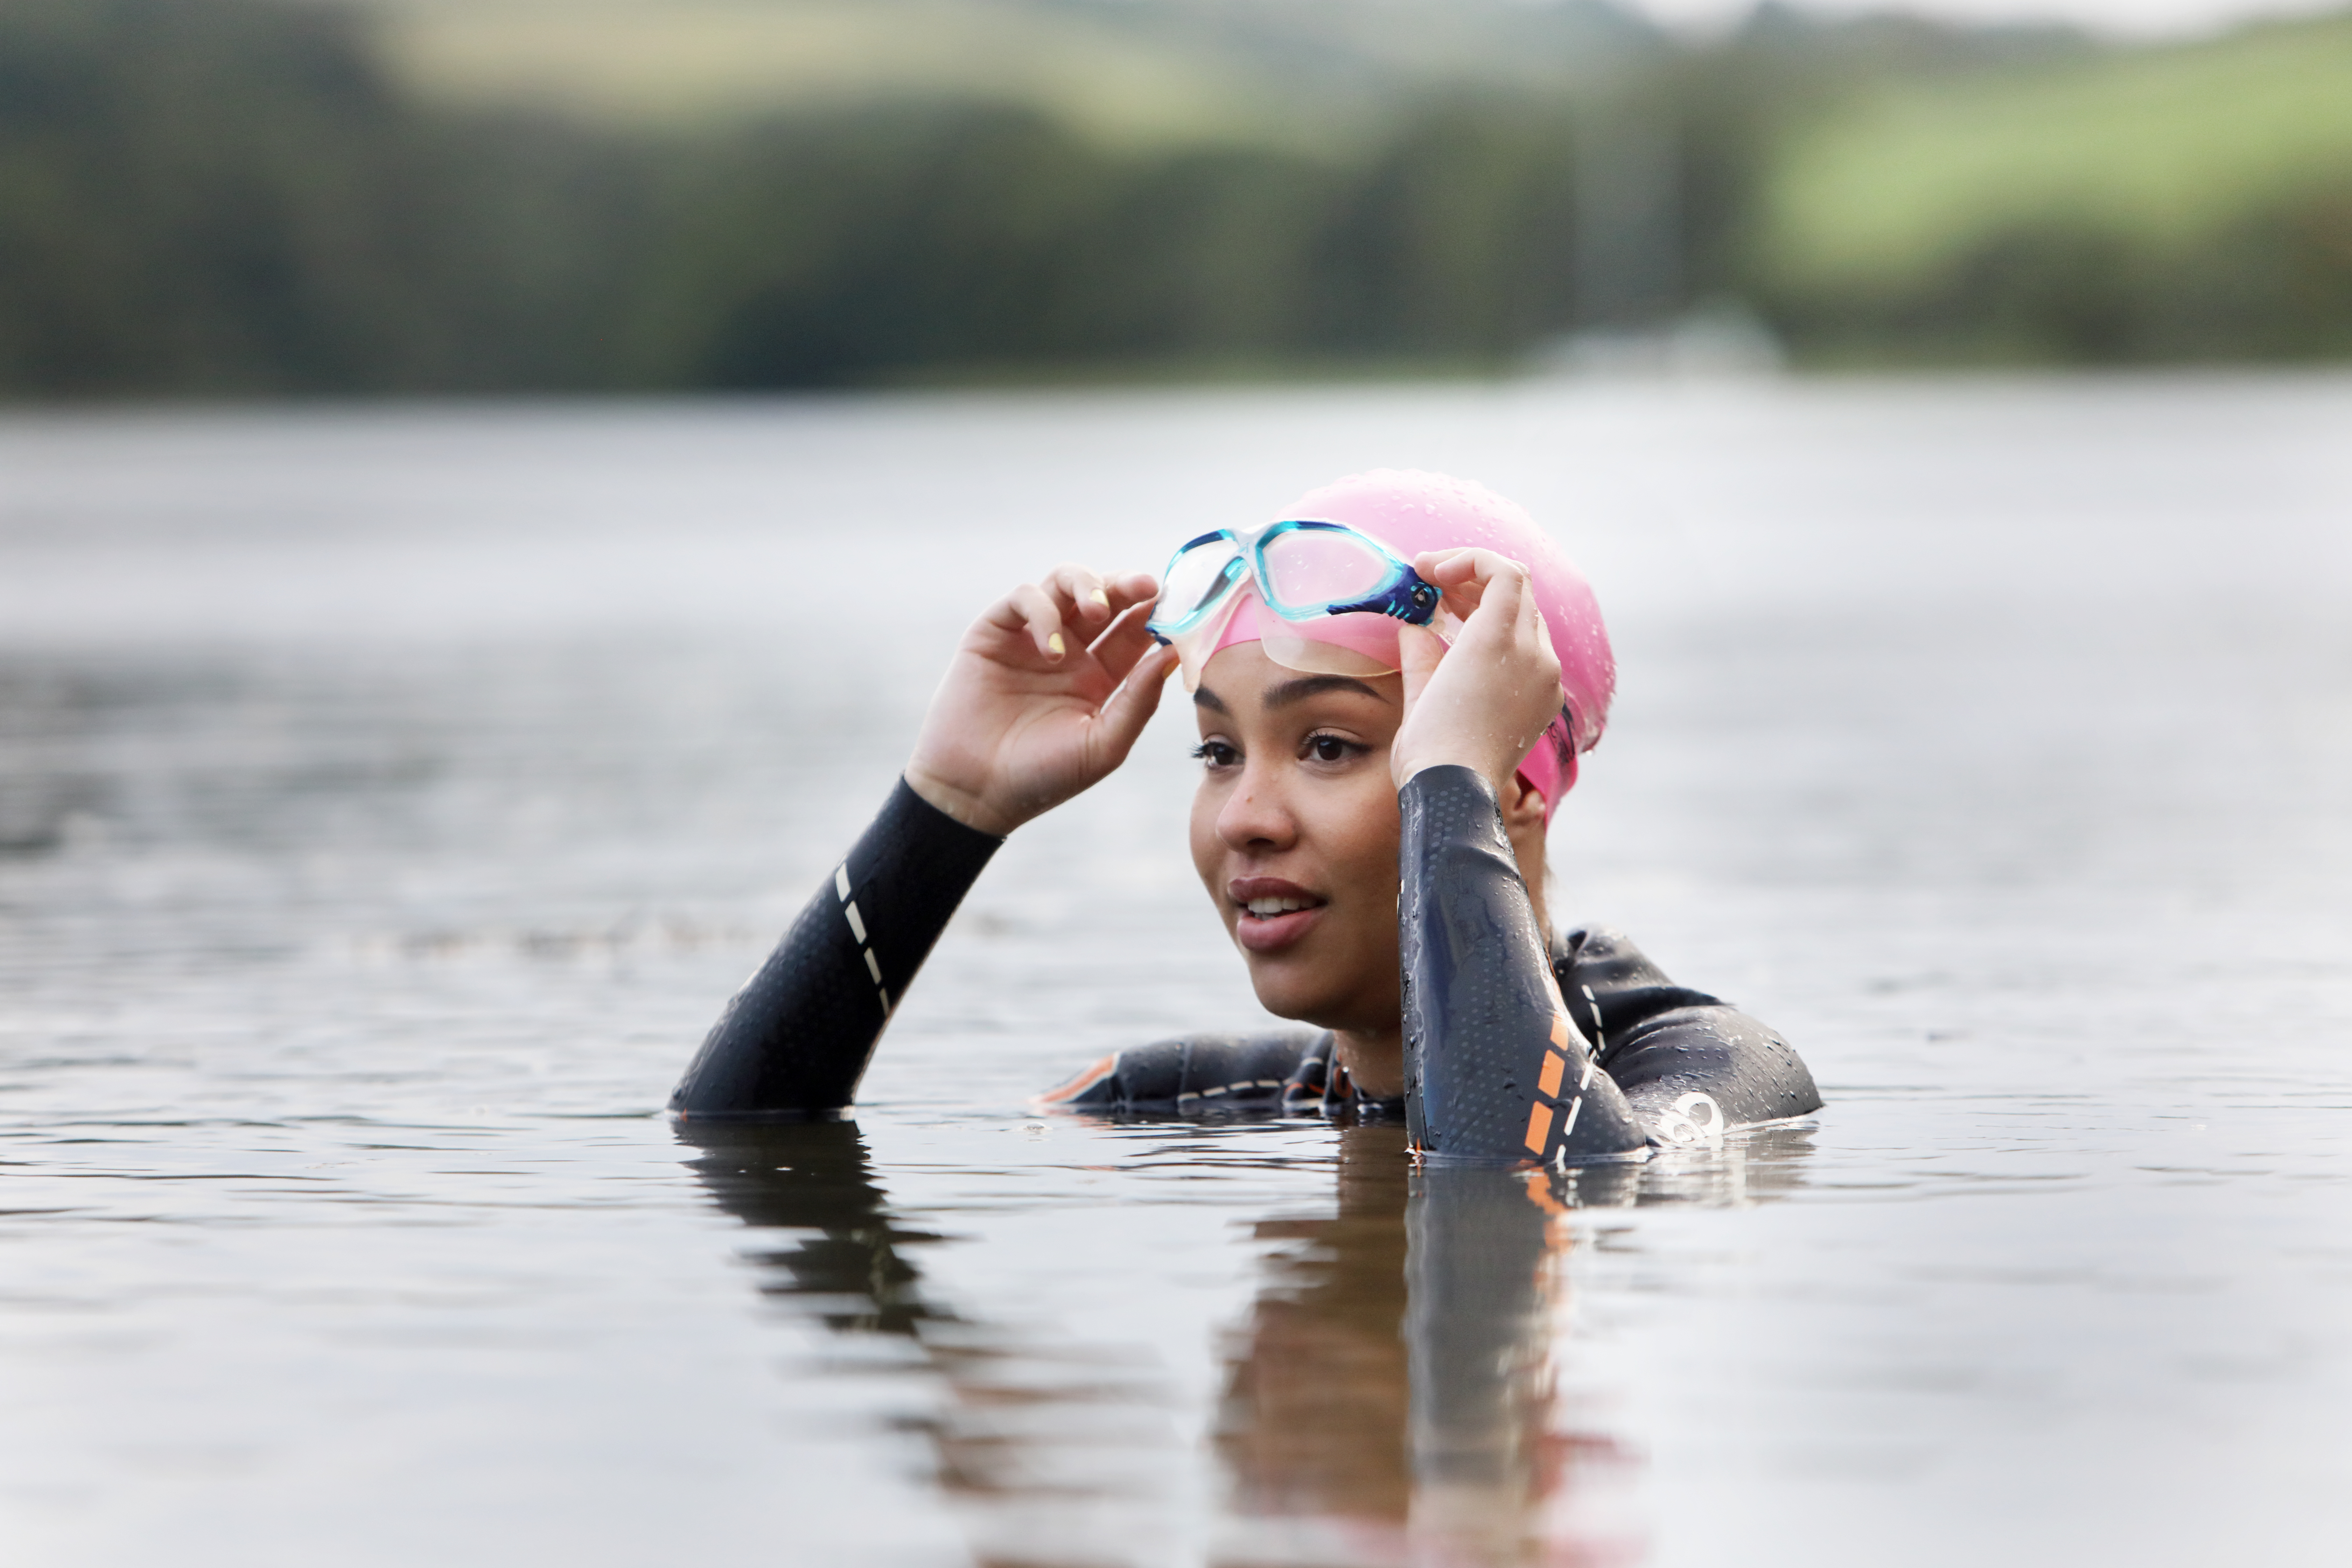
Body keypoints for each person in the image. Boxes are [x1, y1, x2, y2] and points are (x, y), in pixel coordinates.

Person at [668, 471, 1820, 1165]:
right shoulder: (1224, 1095)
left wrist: (1445, 789)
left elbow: (1527, 1175)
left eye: (1329, 745)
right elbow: (741, 1147)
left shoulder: (1713, 1069)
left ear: (1508, 779)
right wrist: (947, 814)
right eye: (1217, 751)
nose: (1245, 820)